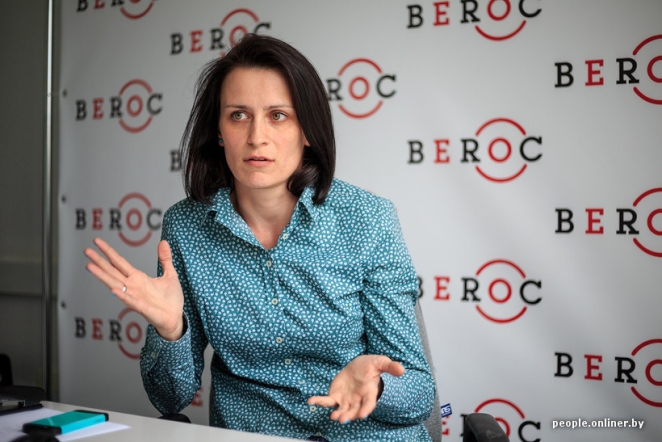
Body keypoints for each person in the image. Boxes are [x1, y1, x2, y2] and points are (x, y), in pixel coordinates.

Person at [85, 34, 436, 441]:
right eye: (238, 115)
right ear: (219, 131)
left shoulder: (368, 219)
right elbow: (169, 399)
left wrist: (376, 385)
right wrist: (170, 330)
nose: (256, 137)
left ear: (307, 130)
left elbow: (418, 393)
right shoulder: (186, 228)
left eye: (278, 116)